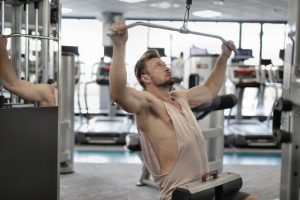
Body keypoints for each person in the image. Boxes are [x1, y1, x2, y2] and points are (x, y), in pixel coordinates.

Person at [108, 22, 256, 200]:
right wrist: (119, 46)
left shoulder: (180, 96)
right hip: (180, 195)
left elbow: (209, 89)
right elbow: (118, 94)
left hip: (206, 188)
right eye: (158, 66)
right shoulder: (148, 104)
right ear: (145, 78)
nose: (166, 67)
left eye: (164, 64)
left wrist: (224, 56)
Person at [0, 35, 55, 107]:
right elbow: (10, 83)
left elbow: (10, 83)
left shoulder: (49, 93)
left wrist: (2, 48)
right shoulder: (50, 92)